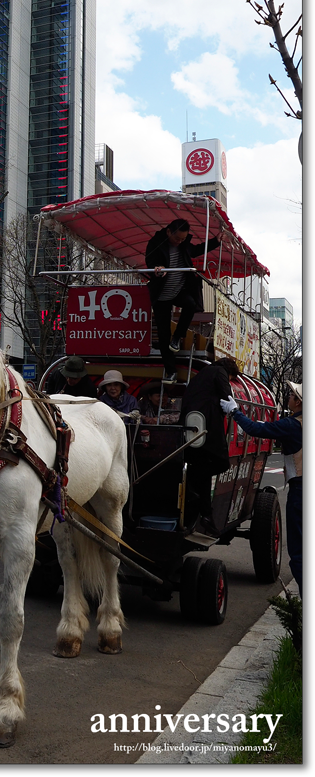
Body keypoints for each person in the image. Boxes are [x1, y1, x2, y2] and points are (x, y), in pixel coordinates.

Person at [221, 381, 302, 597]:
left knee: (298, 551)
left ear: (298, 402)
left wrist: (235, 412)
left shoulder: (292, 425)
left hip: (300, 491)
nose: (289, 398)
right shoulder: (293, 424)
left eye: (292, 396)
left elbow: (257, 430)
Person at [145, 218, 221, 383]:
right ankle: (170, 371)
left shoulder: (184, 244)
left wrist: (216, 241)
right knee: (163, 335)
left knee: (190, 304)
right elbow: (150, 263)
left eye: (182, 239)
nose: (179, 241)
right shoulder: (156, 243)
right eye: (177, 238)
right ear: (168, 232)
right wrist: (157, 269)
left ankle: (177, 337)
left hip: (179, 289)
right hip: (161, 294)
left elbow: (197, 250)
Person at [180, 357, 240, 533]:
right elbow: (226, 395)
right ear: (229, 372)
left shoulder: (200, 375)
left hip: (191, 428)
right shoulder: (219, 372)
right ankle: (202, 508)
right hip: (207, 428)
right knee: (217, 463)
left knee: (199, 471)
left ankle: (203, 512)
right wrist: (232, 408)